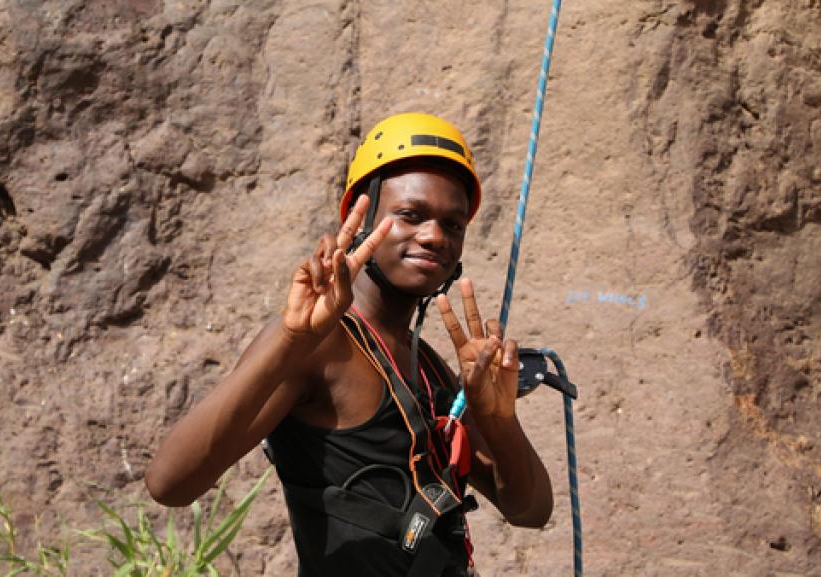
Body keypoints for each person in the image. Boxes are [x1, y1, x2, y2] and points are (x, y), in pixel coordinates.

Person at [145, 112, 553, 577]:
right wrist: (290, 339)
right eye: (411, 215)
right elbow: (169, 484)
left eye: (453, 224)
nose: (435, 236)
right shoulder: (319, 345)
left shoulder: (430, 368)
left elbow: (530, 511)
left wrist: (499, 421)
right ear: (359, 217)